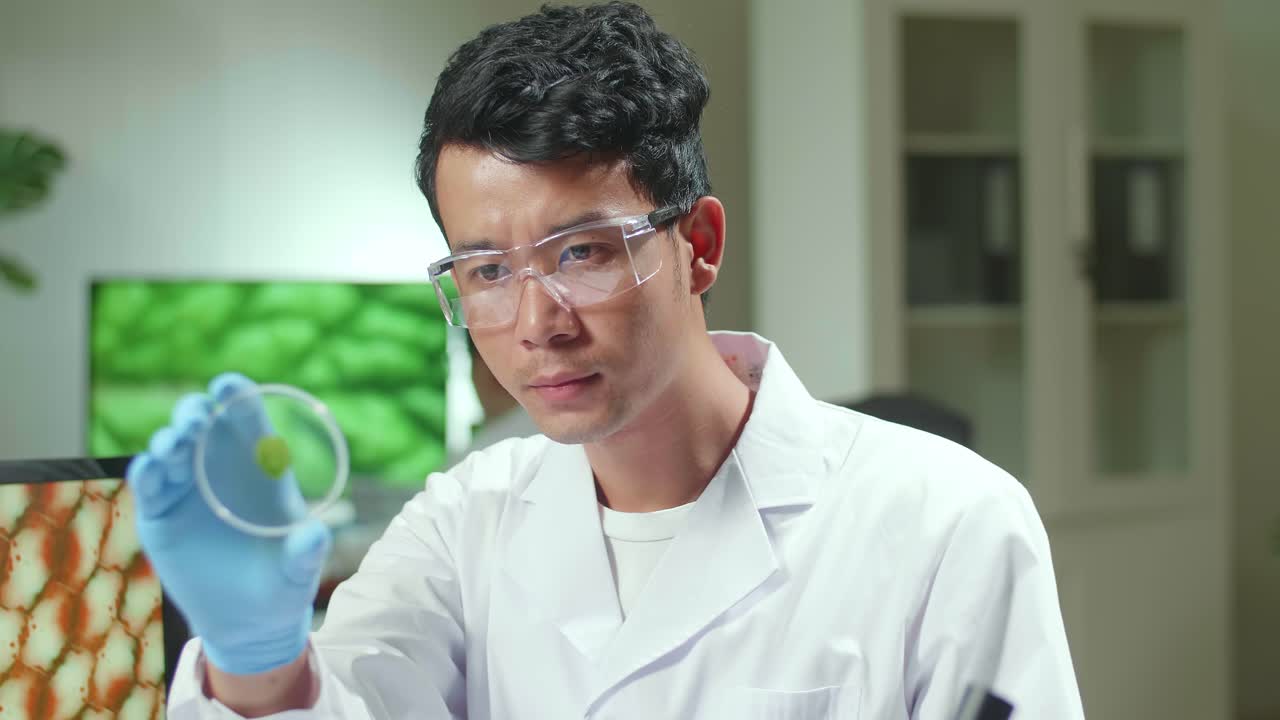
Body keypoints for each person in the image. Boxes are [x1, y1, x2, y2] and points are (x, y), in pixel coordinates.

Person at [126, 3, 1085, 718]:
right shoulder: (465, 526)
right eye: (487, 269)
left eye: (581, 252)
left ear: (699, 244)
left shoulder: (945, 520)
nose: (535, 321)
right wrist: (256, 661)